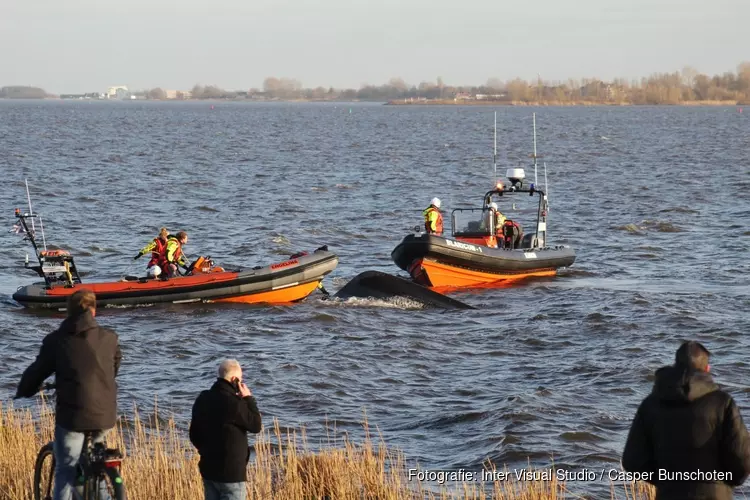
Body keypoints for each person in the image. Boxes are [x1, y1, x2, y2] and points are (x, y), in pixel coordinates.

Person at [15, 289, 122, 500]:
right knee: (96, 465)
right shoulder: (110, 338)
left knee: (66, 470)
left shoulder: (57, 340)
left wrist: (24, 391)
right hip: (105, 413)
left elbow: (38, 371)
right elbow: (115, 364)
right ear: (94, 311)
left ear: (68, 311)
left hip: (73, 416)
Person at [622, 341, 750, 500]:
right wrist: (727, 482)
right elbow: (743, 458)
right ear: (707, 369)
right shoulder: (723, 403)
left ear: (676, 366)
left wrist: (664, 480)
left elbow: (632, 460)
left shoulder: (651, 404)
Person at [190, 359, 262, 500]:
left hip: (209, 469)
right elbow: (256, 425)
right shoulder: (235, 404)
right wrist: (248, 399)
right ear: (234, 379)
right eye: (240, 380)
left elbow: (194, 434)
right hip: (232, 474)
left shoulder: (202, 399)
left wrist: (205, 451)